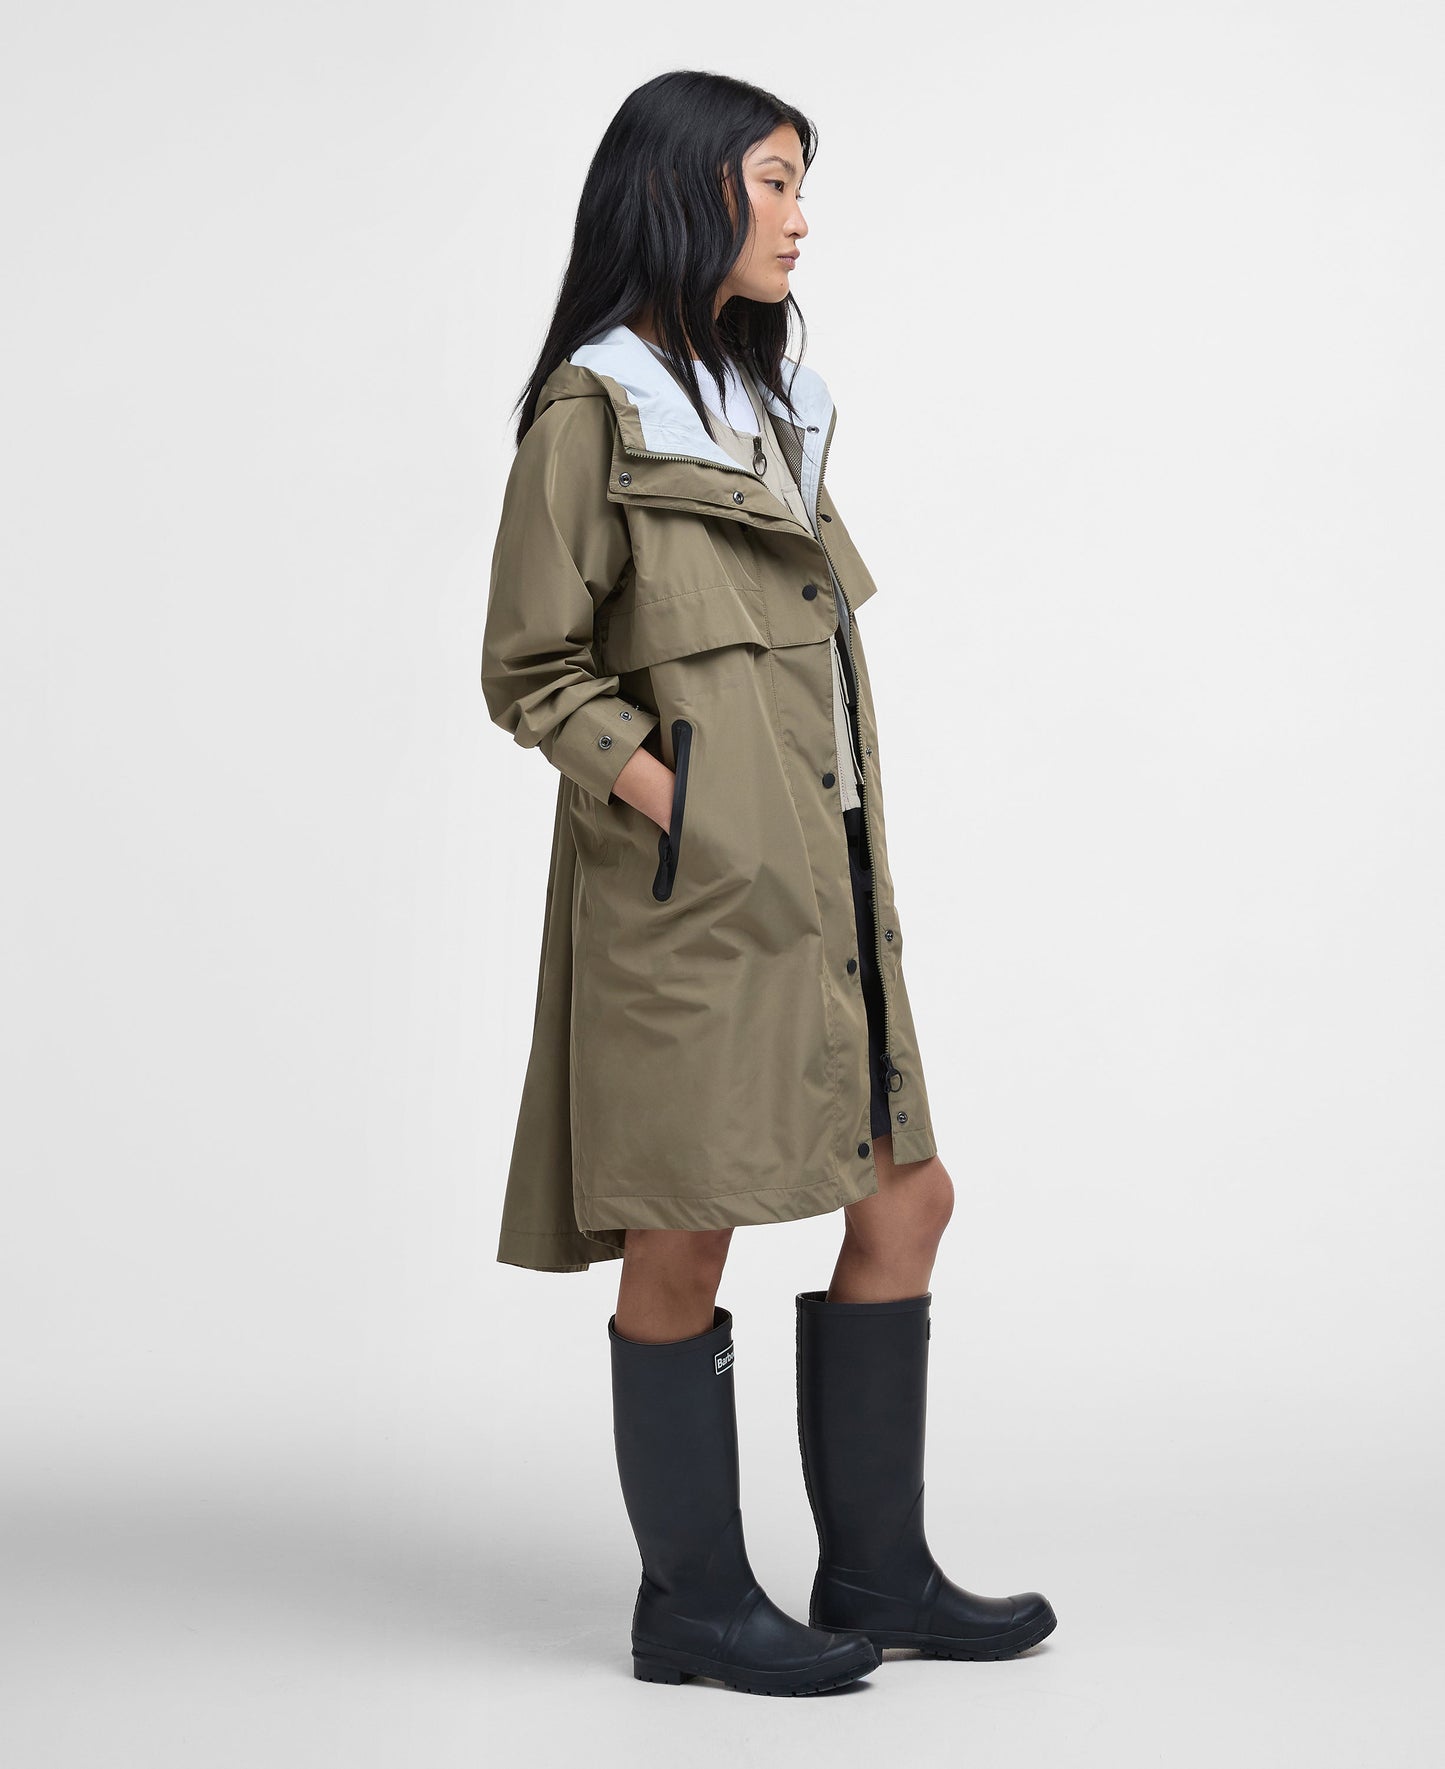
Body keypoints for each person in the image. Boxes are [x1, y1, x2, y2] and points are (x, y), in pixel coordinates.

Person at [481, 69, 1056, 1695]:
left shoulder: (767, 403)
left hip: (829, 889)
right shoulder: (593, 415)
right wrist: (683, 804)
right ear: (684, 192)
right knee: (686, 1234)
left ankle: (875, 1572)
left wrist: (793, 829)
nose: (801, 219)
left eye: (804, 184)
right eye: (775, 181)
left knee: (905, 1195)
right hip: (690, 902)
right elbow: (530, 669)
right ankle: (693, 1605)